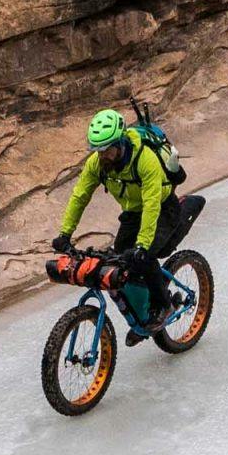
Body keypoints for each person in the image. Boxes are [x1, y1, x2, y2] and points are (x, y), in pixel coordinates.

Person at [51, 108, 198, 343]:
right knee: (119, 264)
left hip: (162, 209)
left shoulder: (145, 160)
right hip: (132, 213)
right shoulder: (97, 164)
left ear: (120, 143)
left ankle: (163, 306)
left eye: (106, 149)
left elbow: (151, 205)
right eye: (96, 150)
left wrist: (142, 246)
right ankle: (143, 318)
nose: (101, 156)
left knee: (144, 257)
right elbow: (80, 196)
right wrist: (65, 233)